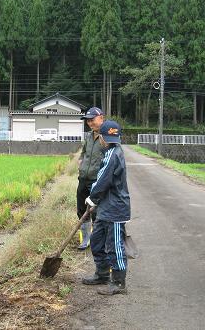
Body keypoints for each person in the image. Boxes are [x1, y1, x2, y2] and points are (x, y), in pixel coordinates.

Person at [81, 120, 131, 295]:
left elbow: (103, 180)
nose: (107, 140)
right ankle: (102, 273)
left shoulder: (113, 154)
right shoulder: (111, 152)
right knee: (97, 240)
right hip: (105, 206)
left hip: (115, 208)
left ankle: (119, 282)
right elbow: (101, 179)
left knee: (114, 245)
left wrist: (93, 198)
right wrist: (95, 199)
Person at [77, 107, 106, 250]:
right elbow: (83, 153)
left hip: (97, 181)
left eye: (92, 119)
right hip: (83, 178)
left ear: (101, 118)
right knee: (82, 209)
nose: (89, 123)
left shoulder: (107, 137)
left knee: (96, 211)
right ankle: (85, 240)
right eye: (87, 120)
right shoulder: (88, 136)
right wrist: (80, 164)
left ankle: (98, 241)